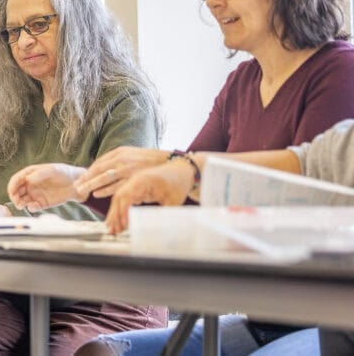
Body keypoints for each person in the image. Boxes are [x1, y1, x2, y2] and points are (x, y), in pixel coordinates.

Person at [8, 0, 354, 356]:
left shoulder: (338, 72)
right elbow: (177, 198)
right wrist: (80, 183)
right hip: (260, 320)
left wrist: (186, 174)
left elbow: (308, 218)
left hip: (330, 321)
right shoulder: (241, 86)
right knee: (100, 353)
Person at [0, 0, 166, 355]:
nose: (23, 41)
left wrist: (5, 216)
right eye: (13, 31)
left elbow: (118, 209)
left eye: (38, 24)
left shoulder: (124, 101)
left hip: (108, 292)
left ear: (77, 24)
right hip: (17, 285)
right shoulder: (12, 111)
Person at [99, 119, 354, 354]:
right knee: (100, 351)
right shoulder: (342, 143)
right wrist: (188, 170)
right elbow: (302, 166)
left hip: (303, 319)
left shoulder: (333, 78)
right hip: (268, 317)